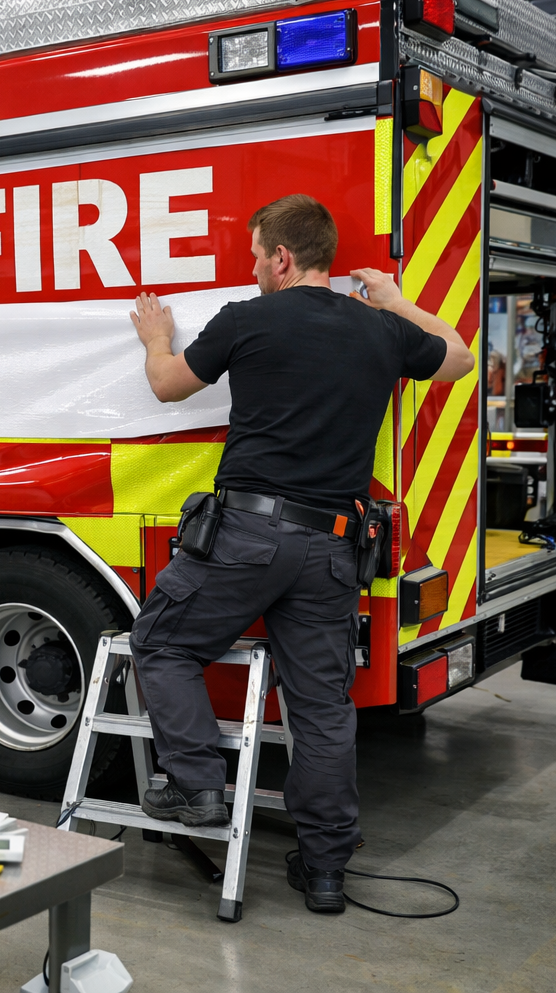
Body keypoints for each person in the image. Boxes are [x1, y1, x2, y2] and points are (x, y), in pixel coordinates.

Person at [126, 194, 473, 913]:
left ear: (282, 258)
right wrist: (398, 301)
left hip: (248, 536)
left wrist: (156, 335)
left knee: (160, 643)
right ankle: (323, 871)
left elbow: (166, 387)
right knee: (320, 708)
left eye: (257, 256)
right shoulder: (381, 330)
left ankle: (195, 787)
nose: (253, 269)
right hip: (334, 549)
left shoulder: (247, 320)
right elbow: (461, 359)